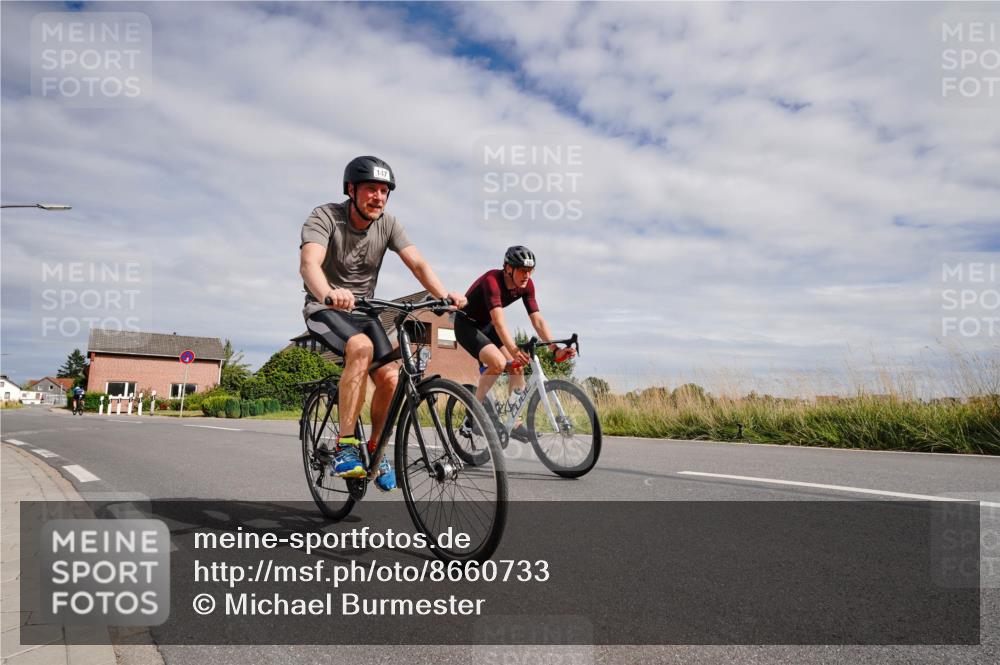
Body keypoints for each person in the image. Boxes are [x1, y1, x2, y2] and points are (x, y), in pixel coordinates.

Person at [299, 156, 467, 490]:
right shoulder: (325, 216)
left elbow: (417, 263)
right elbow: (309, 264)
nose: (378, 196)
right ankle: (346, 446)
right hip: (325, 308)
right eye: (370, 189)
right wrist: (329, 293)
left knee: (391, 375)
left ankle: (376, 447)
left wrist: (444, 295)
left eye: (384, 190)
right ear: (351, 190)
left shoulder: (388, 224)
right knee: (359, 348)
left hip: (366, 312)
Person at [454, 246, 575, 442]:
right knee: (498, 362)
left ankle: (515, 422)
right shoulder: (492, 281)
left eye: (530, 270)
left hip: (488, 325)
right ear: (508, 268)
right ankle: (474, 413)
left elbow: (537, 321)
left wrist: (554, 350)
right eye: (522, 270)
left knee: (517, 367)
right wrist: (514, 349)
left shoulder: (527, 285)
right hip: (467, 326)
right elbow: (499, 321)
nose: (527, 275)